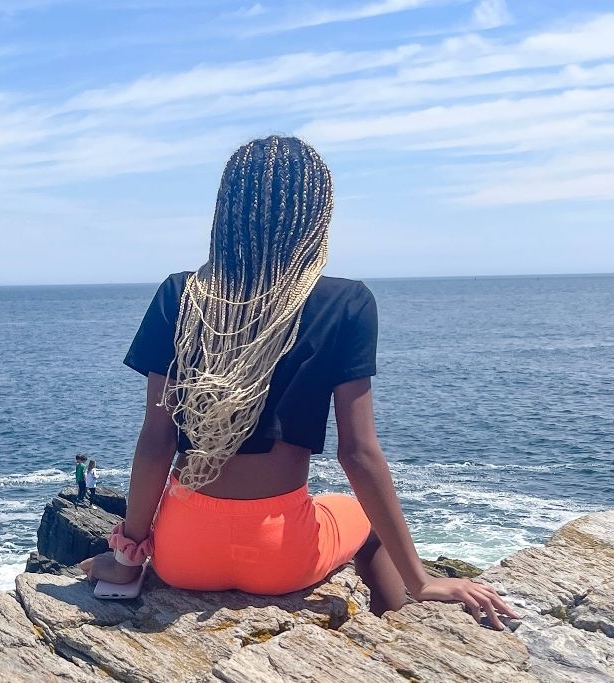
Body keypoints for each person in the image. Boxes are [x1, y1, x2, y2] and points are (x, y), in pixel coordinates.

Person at [80, 136, 517, 628]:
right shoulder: (347, 303)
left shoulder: (182, 295)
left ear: (226, 212)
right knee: (364, 522)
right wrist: (422, 579)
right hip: (281, 555)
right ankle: (399, 626)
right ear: (317, 215)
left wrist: (128, 557)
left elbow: (156, 440)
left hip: (184, 555)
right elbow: (359, 453)